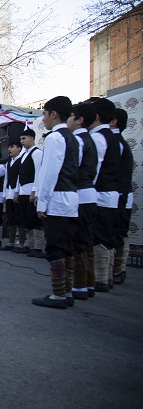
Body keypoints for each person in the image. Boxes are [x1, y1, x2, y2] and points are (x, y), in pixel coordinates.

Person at [32, 96, 80, 309]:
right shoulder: (73, 138)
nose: (44, 118)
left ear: (53, 114)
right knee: (67, 247)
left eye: (44, 113)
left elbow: (50, 173)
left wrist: (42, 204)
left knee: (56, 247)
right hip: (71, 199)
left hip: (57, 200)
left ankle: (58, 294)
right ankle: (66, 291)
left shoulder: (54, 138)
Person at [66, 103, 98, 300]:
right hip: (88, 194)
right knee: (85, 239)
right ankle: (88, 283)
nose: (67, 120)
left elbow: (72, 170)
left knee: (76, 239)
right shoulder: (90, 139)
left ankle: (78, 285)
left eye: (70, 116)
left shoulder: (77, 140)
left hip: (79, 194)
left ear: (79, 120)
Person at [88, 98, 120, 292]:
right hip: (109, 194)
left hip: (100, 194)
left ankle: (100, 278)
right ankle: (104, 276)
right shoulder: (113, 138)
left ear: (97, 116)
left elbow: (94, 169)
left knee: (99, 236)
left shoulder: (99, 137)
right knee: (105, 235)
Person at [111, 108, 133, 285]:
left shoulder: (116, 143)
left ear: (113, 121)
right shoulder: (113, 141)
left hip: (119, 195)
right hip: (116, 194)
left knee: (118, 232)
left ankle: (118, 270)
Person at [18, 129, 45, 257]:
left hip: (32, 191)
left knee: (34, 219)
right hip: (23, 191)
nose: (22, 142)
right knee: (26, 219)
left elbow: (39, 173)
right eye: (21, 139)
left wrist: (35, 191)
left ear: (32, 139)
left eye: (24, 139)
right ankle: (30, 245)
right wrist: (17, 192)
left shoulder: (37, 153)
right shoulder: (24, 155)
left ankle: (38, 247)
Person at [1, 141, 23, 251]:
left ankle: (21, 243)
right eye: (9, 147)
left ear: (19, 149)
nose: (9, 149)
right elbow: (6, 178)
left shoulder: (21, 159)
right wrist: (4, 194)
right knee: (11, 218)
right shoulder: (9, 162)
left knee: (20, 218)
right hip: (9, 192)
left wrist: (17, 191)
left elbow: (20, 177)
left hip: (17, 192)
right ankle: (11, 242)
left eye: (12, 147)